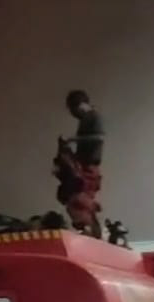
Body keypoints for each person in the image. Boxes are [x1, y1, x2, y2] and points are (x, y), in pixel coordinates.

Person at [53, 89, 104, 237]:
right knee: (72, 198)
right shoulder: (86, 119)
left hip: (89, 166)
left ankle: (90, 226)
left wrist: (74, 139)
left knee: (78, 199)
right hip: (83, 164)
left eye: (72, 109)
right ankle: (87, 227)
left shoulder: (94, 117)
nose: (72, 114)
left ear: (80, 105)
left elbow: (99, 138)